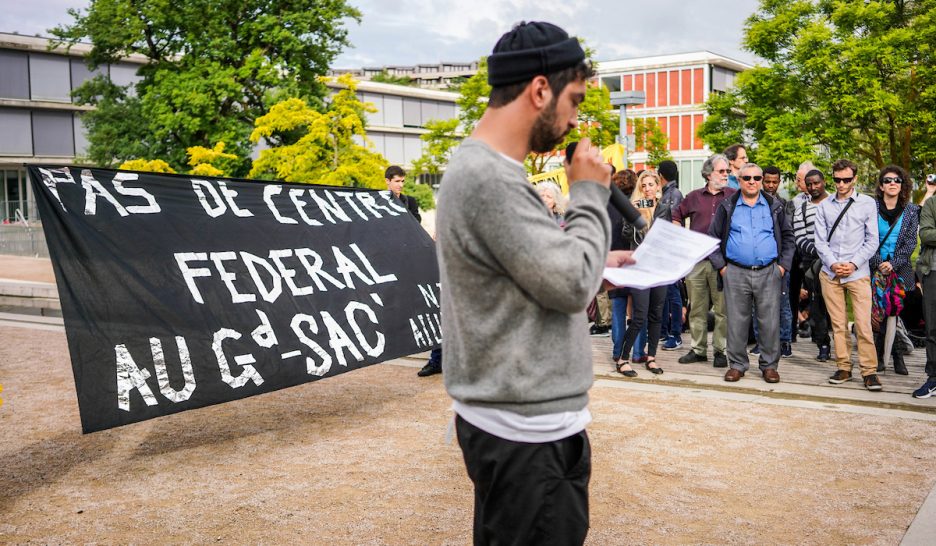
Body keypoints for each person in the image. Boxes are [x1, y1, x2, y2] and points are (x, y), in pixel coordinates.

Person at [435, 21, 634, 544]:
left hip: (525, 423)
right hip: (524, 433)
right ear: (540, 89)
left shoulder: (492, 173)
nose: (574, 120)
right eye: (574, 100)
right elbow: (569, 285)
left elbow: (536, 268)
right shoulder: (488, 179)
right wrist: (589, 194)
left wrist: (597, 256)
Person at [708, 163, 794, 383]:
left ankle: (769, 366)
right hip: (735, 271)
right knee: (736, 321)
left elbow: (788, 237)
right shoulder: (728, 205)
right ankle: (737, 364)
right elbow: (713, 238)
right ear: (739, 179)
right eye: (747, 178)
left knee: (770, 322)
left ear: (762, 180)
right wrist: (723, 268)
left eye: (757, 178)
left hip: (769, 271)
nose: (752, 182)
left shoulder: (774, 205)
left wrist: (782, 267)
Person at [814, 159, 881, 391]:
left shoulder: (867, 204)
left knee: (863, 325)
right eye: (836, 179)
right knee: (838, 324)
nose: (841, 184)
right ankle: (844, 366)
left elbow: (873, 239)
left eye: (845, 179)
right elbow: (819, 241)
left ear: (855, 179)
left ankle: (869, 371)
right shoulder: (824, 205)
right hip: (830, 272)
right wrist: (833, 264)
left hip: (858, 271)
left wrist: (853, 264)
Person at [672, 154, 735, 368]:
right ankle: (698, 350)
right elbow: (676, 216)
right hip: (697, 261)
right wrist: (681, 237)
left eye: (727, 171)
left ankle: (721, 350)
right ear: (708, 174)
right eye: (722, 171)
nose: (726, 175)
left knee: (723, 309)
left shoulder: (734, 196)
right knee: (697, 308)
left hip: (723, 262)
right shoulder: (693, 197)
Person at [386, 165, 442, 377]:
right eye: (397, 181)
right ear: (388, 181)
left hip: (409, 256)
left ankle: (436, 357)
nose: (400, 184)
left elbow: (415, 225)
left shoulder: (410, 201)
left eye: (402, 181)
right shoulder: (377, 201)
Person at [614, 171, 671, 376]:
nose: (647, 189)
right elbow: (626, 235)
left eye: (651, 185)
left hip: (659, 267)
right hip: (639, 267)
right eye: (643, 185)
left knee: (656, 314)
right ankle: (623, 359)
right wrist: (633, 217)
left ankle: (652, 357)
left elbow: (666, 237)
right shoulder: (633, 209)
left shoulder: (664, 208)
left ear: (658, 187)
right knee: (639, 316)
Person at [869, 165, 920, 375]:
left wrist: (893, 263)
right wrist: (879, 262)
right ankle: (881, 357)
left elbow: (910, 243)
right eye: (888, 180)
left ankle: (897, 356)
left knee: (894, 311)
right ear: (881, 185)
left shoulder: (911, 211)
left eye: (897, 181)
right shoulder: (870, 208)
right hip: (874, 267)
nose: (892, 183)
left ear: (903, 186)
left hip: (899, 270)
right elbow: (866, 237)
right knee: (878, 313)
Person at [750, 165, 794, 358]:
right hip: (756, 262)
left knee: (783, 303)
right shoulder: (753, 202)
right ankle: (761, 342)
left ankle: (785, 342)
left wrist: (784, 264)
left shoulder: (785, 204)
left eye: (774, 182)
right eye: (766, 181)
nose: (770, 185)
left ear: (779, 182)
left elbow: (789, 235)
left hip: (779, 262)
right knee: (757, 305)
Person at [793, 169, 832, 361]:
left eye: (816, 183)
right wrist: (820, 251)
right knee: (817, 306)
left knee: (835, 306)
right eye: (809, 184)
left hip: (836, 262)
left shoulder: (836, 204)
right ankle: (822, 344)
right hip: (813, 263)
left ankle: (843, 346)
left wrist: (831, 254)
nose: (813, 187)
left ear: (824, 182)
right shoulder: (801, 209)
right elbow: (799, 237)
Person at [657, 160, 684, 350]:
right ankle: (664, 331)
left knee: (673, 293)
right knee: (665, 293)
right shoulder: (668, 193)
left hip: (669, 248)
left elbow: (672, 220)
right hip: (665, 248)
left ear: (660, 175)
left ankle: (675, 333)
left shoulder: (673, 194)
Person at [913, 182, 936, 399]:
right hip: (933, 271)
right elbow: (927, 235)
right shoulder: (931, 203)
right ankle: (933, 377)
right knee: (932, 328)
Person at [788, 161, 816, 341]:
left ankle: (818, 334)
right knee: (792, 293)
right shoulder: (794, 202)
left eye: (800, 180)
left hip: (817, 256)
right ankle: (790, 332)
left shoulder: (827, 200)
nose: (797, 184)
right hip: (796, 255)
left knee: (818, 295)